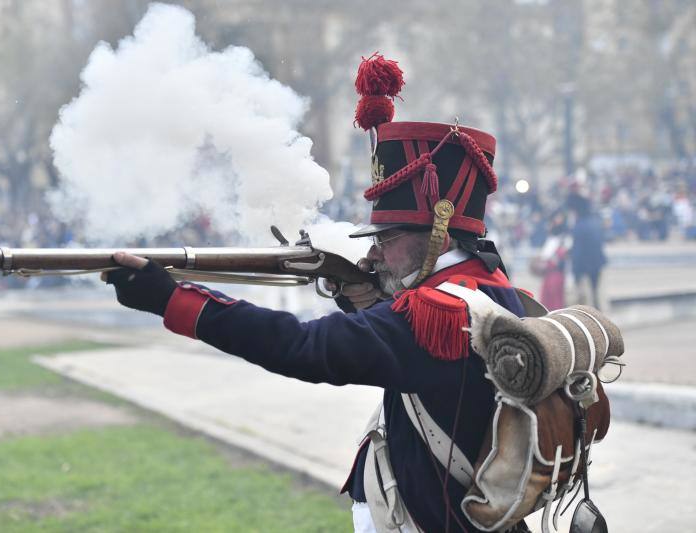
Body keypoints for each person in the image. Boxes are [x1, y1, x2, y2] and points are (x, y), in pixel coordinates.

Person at [103, 54, 530, 532]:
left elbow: (303, 346)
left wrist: (171, 300)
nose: (378, 251)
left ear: (439, 235)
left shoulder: (438, 312)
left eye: (389, 237)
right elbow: (417, 356)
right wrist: (362, 296)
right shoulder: (487, 284)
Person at [568, 193, 607, 310]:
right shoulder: (596, 222)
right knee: (597, 294)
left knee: (584, 298)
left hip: (584, 266)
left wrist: (575, 270)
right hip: (597, 263)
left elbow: (578, 251)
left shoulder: (579, 226)